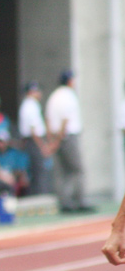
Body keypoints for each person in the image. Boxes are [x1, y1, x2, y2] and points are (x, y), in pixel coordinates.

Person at [45, 69, 95, 213]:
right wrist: (58, 140)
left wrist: (51, 140)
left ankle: (64, 202)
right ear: (69, 81)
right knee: (78, 170)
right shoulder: (68, 95)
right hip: (68, 137)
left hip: (57, 136)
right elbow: (65, 120)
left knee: (62, 171)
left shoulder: (53, 96)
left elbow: (48, 119)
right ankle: (80, 200)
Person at [18, 81, 54, 195]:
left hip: (32, 141)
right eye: (37, 91)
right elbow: (34, 130)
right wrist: (42, 146)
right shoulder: (30, 105)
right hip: (34, 141)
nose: (39, 93)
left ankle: (39, 194)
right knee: (39, 170)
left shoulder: (29, 104)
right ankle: (40, 196)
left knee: (37, 171)